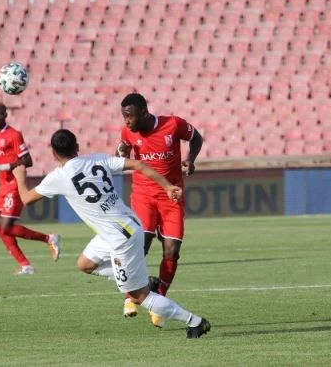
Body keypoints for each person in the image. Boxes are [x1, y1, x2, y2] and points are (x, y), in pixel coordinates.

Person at [12, 128, 211, 339]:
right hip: (126, 226)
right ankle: (143, 280)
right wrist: (168, 186)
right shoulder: (97, 160)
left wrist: (19, 176)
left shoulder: (58, 177)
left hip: (120, 239)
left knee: (140, 296)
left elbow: (26, 199)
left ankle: (195, 321)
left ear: (53, 154)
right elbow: (139, 165)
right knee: (85, 264)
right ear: (77, 147)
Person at [117, 92, 203, 327]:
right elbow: (122, 157)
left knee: (172, 251)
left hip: (171, 196)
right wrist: (121, 153)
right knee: (140, 244)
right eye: (124, 117)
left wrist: (190, 159)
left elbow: (196, 137)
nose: (126, 122)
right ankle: (130, 296)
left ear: (144, 113)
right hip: (143, 195)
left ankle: (159, 300)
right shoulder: (127, 132)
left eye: (130, 116)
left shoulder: (173, 125)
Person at [0, 101, 60, 274]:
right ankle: (26, 266)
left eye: (0, 114)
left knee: (6, 227)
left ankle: (49, 238)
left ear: (6, 115)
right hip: (2, 186)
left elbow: (28, 161)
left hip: (14, 184)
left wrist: (2, 167)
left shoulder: (14, 135)